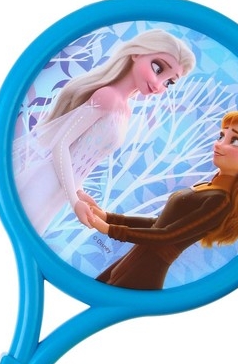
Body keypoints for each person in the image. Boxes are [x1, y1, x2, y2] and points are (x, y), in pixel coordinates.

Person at [13, 30, 197, 235]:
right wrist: (74, 201)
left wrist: (79, 192)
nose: (158, 84)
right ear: (137, 54)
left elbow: (81, 153)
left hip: (59, 191)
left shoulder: (125, 110)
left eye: (169, 82)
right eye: (158, 68)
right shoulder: (107, 97)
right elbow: (61, 143)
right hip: (45, 182)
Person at [79, 110, 238, 290]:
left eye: (235, 141)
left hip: (144, 272)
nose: (219, 144)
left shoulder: (221, 201)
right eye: (221, 136)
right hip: (132, 262)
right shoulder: (208, 187)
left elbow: (168, 235)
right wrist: (108, 217)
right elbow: (159, 223)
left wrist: (110, 229)